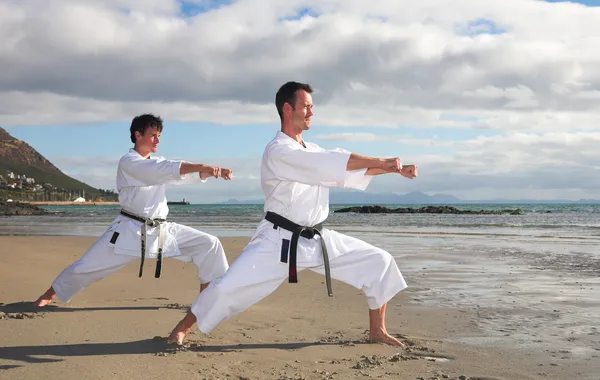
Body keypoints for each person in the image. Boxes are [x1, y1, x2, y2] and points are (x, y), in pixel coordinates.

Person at [168, 82, 418, 346]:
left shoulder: (312, 150)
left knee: (379, 261)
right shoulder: (278, 150)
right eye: (306, 106)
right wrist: (381, 162)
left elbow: (345, 168)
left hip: (317, 238)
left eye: (312, 107)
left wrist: (393, 169)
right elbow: (332, 162)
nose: (311, 112)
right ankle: (181, 328)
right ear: (287, 109)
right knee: (226, 288)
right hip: (278, 242)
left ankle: (377, 331)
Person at [34, 114, 232, 307]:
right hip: (128, 231)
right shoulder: (129, 162)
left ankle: (209, 301)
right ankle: (49, 294)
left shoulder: (156, 163)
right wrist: (201, 166)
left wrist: (208, 172)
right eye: (153, 135)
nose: (157, 140)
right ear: (138, 135)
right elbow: (162, 169)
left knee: (210, 244)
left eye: (159, 136)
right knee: (85, 269)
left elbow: (176, 174)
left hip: (160, 230)